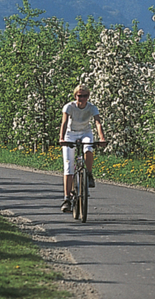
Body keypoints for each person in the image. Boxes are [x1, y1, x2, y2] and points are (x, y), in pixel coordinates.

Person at [59, 84, 105, 213]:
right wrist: (62, 138)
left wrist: (102, 138)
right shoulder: (69, 107)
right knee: (68, 167)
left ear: (88, 96)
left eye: (85, 96)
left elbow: (97, 122)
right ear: (75, 96)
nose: (82, 98)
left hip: (85, 133)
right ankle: (67, 198)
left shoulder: (92, 108)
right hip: (70, 134)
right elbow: (64, 123)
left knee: (88, 149)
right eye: (80, 96)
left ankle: (89, 174)